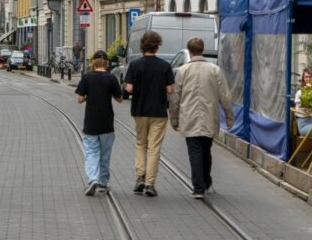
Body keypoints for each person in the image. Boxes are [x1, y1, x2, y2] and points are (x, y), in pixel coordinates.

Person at [168, 37, 234, 198]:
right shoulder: (214, 70)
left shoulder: (183, 71)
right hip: (209, 117)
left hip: (189, 118)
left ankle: (198, 187)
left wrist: (174, 119)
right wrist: (229, 116)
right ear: (202, 50)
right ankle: (206, 180)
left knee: (194, 151)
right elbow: (225, 95)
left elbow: (175, 97)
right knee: (206, 150)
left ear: (189, 52)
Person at [124, 30, 175, 197]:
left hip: (139, 110)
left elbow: (129, 88)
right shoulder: (165, 66)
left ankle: (140, 177)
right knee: (154, 148)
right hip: (158, 112)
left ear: (142, 46)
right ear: (157, 46)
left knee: (141, 143)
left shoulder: (135, 65)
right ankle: (149, 184)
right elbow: (170, 89)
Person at [76, 50, 123, 195]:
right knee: (105, 154)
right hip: (107, 122)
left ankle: (93, 179)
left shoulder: (87, 77)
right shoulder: (111, 78)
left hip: (91, 122)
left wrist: (87, 97)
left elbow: (79, 99)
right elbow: (120, 99)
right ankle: (103, 182)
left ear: (93, 62)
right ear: (106, 63)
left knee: (91, 152)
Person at [295, 68, 312, 136]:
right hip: (305, 125)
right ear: (303, 79)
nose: (308, 79)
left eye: (311, 77)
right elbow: (307, 108)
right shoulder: (300, 92)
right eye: (306, 77)